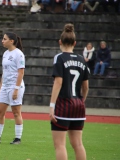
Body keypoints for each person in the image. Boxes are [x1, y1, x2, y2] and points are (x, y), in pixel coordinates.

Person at [49, 23, 89, 160]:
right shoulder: (82, 60)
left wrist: (51, 106)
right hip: (78, 104)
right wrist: (82, 100)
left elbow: (58, 82)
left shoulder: (59, 58)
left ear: (60, 42)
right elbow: (86, 86)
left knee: (60, 145)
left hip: (63, 105)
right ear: (75, 43)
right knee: (78, 144)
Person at [0, 32, 25, 145]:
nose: (2, 41)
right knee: (0, 112)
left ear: (11, 41)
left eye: (4, 39)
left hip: (15, 86)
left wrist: (16, 89)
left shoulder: (19, 54)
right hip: (5, 87)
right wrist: (0, 87)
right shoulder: (5, 53)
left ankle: (17, 139)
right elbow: (4, 72)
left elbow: (21, 72)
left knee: (16, 112)